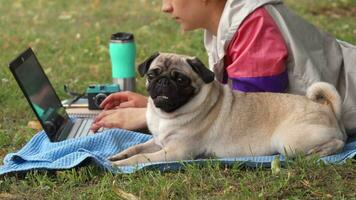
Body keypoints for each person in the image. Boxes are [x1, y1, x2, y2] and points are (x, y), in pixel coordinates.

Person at [91, 0, 356, 135]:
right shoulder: (229, 23)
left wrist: (145, 118)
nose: (165, 7)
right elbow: (220, 97)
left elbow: (248, 114)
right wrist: (153, 103)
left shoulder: (253, 27)